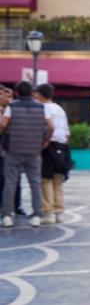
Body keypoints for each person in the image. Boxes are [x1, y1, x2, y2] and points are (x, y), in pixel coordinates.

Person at [0, 80, 51, 228]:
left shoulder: (11, 107)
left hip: (13, 150)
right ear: (31, 93)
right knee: (35, 182)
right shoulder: (41, 107)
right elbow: (50, 126)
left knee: (10, 182)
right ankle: (37, 215)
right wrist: (45, 140)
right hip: (34, 150)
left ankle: (8, 215)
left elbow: (3, 124)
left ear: (16, 92)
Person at [35, 83, 71, 224]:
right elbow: (67, 132)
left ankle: (48, 212)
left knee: (46, 180)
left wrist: (45, 142)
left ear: (40, 95)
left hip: (49, 146)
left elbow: (48, 127)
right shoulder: (59, 109)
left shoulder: (43, 108)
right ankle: (58, 212)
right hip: (62, 146)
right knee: (58, 180)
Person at [0, 85, 23, 217]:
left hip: (12, 150)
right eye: (2, 95)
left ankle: (16, 205)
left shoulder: (14, 111)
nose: (5, 98)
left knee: (15, 179)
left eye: (9, 96)